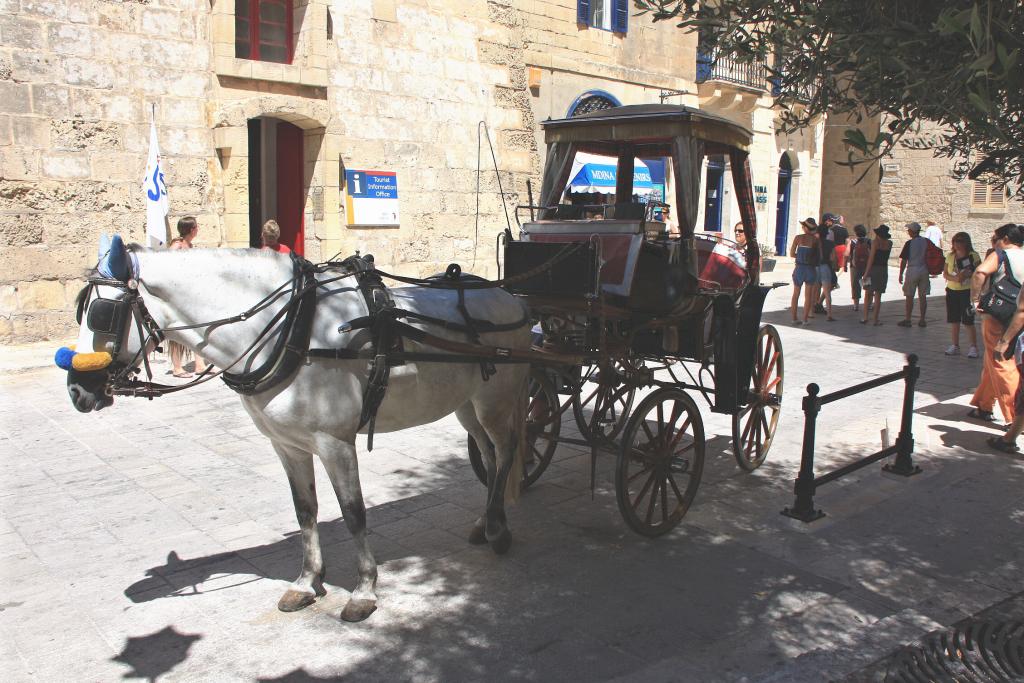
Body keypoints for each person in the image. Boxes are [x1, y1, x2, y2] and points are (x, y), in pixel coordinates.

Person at [968, 223, 1024, 424]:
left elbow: (979, 273)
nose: (994, 242)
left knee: (1002, 362)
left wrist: (975, 301)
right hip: (1018, 316)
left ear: (1006, 239)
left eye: (996, 238)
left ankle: (1015, 417)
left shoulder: (1001, 254)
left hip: (998, 314)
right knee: (991, 359)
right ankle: (984, 404)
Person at [168, 216, 210, 378]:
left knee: (197, 327)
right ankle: (177, 368)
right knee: (177, 331)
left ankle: (200, 365)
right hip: (177, 294)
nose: (198, 229)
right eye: (196, 227)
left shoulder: (190, 246)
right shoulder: (177, 245)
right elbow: (167, 265)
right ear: (192, 229)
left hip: (190, 293)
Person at [943, 232, 981, 358]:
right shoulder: (950, 256)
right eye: (955, 241)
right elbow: (945, 273)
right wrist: (956, 278)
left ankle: (973, 347)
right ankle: (955, 345)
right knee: (954, 319)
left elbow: (979, 272)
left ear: (966, 242)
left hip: (967, 291)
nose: (957, 244)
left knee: (968, 320)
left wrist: (968, 274)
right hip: (952, 290)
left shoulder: (973, 256)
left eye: (960, 241)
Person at [897, 222, 930, 327]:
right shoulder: (926, 241)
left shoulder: (909, 243)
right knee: (923, 296)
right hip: (924, 269)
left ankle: (908, 319)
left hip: (912, 270)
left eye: (909, 230)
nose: (908, 232)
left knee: (909, 296)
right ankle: (922, 320)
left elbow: (904, 260)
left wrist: (901, 273)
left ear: (912, 231)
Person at [790, 218, 820, 325]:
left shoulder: (798, 238)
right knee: (808, 296)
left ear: (806, 228)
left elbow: (792, 254)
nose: (802, 227)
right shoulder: (816, 240)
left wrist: (800, 257)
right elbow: (818, 256)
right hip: (810, 269)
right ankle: (805, 319)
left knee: (795, 294)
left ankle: (794, 318)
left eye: (803, 226)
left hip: (799, 268)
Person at [860, 224, 892, 326]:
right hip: (883, 270)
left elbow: (871, 259)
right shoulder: (889, 243)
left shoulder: (875, 243)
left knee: (868, 294)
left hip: (873, 269)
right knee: (878, 296)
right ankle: (875, 319)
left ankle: (865, 317)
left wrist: (866, 273)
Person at [815, 216, 838, 320]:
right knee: (827, 292)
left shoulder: (815, 242)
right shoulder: (830, 243)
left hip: (815, 267)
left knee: (814, 290)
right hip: (825, 267)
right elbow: (833, 258)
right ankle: (829, 314)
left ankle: (811, 311)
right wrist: (835, 266)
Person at [847, 224, 870, 312]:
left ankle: (856, 305)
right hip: (866, 266)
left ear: (856, 233)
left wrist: (845, 264)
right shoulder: (869, 241)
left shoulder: (852, 242)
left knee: (855, 285)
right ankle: (869, 304)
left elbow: (847, 254)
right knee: (867, 284)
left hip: (855, 267)